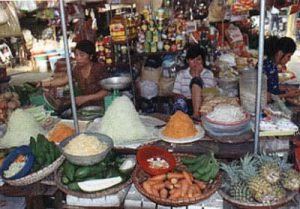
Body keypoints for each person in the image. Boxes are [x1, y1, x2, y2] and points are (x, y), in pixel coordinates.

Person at [37, 40, 109, 107]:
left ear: (91, 56)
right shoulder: (76, 69)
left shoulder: (98, 69)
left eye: (82, 55)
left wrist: (86, 98)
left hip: (102, 105)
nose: (78, 58)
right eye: (76, 55)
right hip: (85, 106)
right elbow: (63, 80)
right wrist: (41, 83)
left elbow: (106, 91)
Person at [172, 44, 216, 118]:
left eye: (198, 59)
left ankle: (196, 115)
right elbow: (175, 94)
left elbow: (212, 93)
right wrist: (185, 98)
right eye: (192, 59)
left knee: (196, 81)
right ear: (187, 61)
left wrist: (197, 75)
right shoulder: (181, 74)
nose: (195, 62)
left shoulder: (209, 74)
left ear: (202, 61)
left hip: (203, 105)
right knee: (180, 103)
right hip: (187, 105)